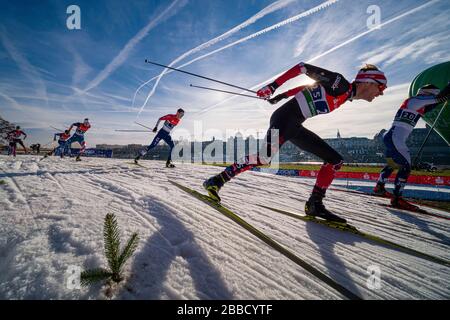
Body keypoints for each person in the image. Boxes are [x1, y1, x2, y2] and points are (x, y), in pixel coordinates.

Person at [203, 62, 387, 223]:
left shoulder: (345, 95)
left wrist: (281, 96)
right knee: (264, 158)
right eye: (381, 88)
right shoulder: (341, 84)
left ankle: (315, 204)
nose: (380, 94)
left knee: (335, 160)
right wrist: (273, 86)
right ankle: (216, 180)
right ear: (369, 82)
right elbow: (302, 67)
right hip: (284, 119)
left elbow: (309, 87)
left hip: (294, 124)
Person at [373, 83, 450, 210]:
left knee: (393, 164)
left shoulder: (416, 103)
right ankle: (397, 199)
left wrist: (444, 97)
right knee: (405, 167)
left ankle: (379, 187)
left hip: (391, 136)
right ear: (428, 93)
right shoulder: (416, 100)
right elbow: (439, 98)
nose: (433, 98)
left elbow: (434, 103)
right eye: (433, 95)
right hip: (395, 138)